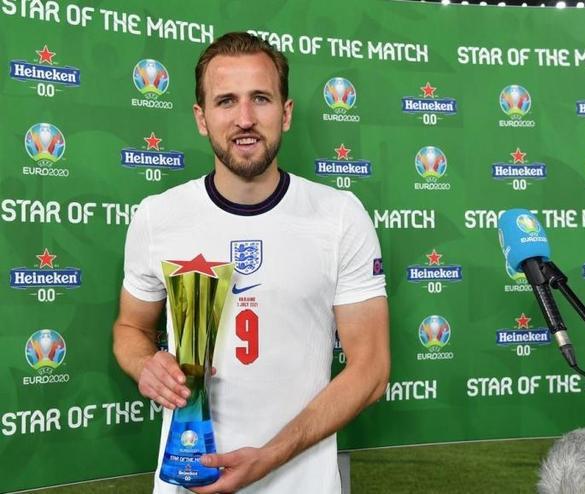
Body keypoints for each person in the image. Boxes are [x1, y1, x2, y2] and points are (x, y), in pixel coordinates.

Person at [113, 32, 390, 494]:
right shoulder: (157, 217)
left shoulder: (339, 216)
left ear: (286, 112)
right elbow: (130, 329)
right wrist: (145, 365)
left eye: (260, 98)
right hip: (188, 480)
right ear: (201, 118)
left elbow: (373, 370)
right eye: (226, 101)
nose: (245, 119)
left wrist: (270, 457)